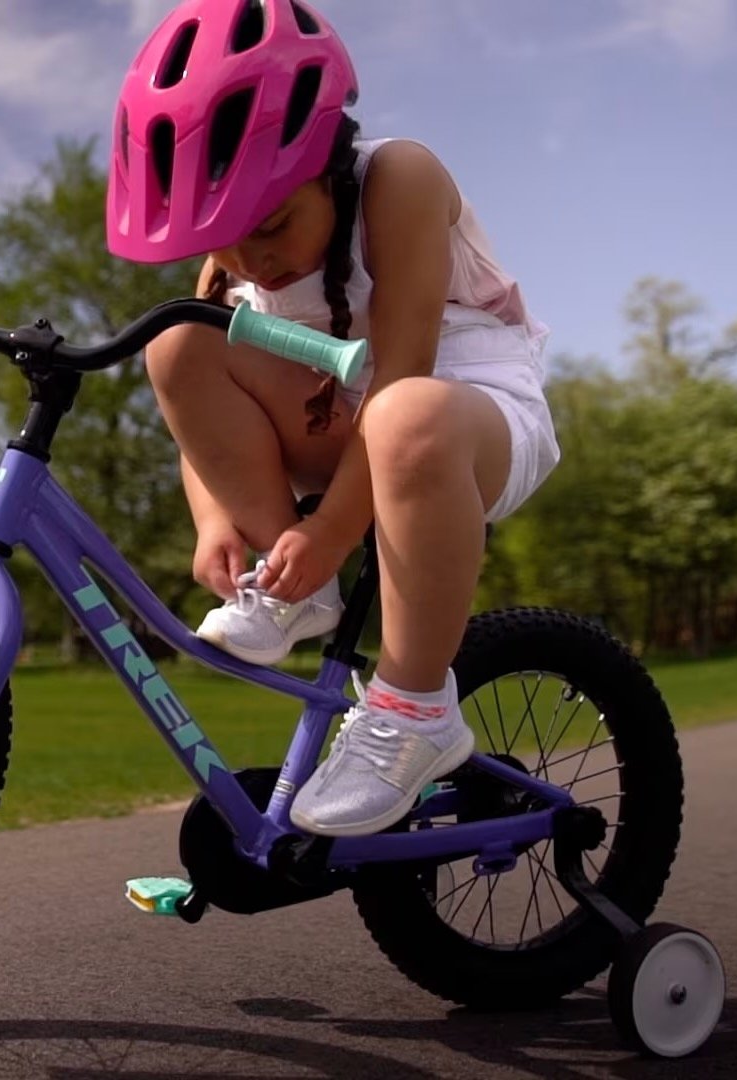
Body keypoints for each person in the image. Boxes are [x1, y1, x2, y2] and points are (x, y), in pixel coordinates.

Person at [106, 0, 561, 836]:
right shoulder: (236, 260)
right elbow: (196, 408)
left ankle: (415, 706)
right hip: (344, 414)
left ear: (326, 161)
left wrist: (329, 539)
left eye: (273, 225)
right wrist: (222, 519)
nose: (252, 263)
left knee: (408, 418)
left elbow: (402, 376)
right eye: (228, 243)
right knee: (177, 342)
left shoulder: (400, 178)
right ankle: (294, 596)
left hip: (465, 413)